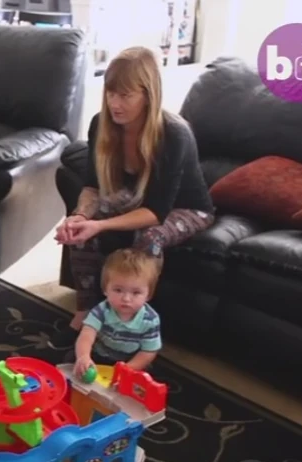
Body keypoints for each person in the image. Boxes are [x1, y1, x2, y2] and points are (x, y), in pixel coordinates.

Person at [55, 46, 215, 330]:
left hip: (186, 208)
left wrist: (100, 226)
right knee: (80, 228)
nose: (115, 103)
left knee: (149, 237)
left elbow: (156, 212)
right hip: (136, 199)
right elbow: (92, 186)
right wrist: (80, 216)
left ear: (148, 95)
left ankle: (134, 323)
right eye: (111, 93)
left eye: (126, 95)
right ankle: (86, 311)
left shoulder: (173, 134)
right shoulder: (101, 124)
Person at [67, 248, 162, 376]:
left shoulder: (150, 320)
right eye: (118, 290)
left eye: (136, 293)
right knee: (72, 359)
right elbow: (87, 335)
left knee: (145, 377)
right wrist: (83, 357)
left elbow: (148, 351)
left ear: (148, 295)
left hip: (129, 361)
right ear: (105, 290)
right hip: (99, 355)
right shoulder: (102, 310)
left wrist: (127, 369)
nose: (126, 298)